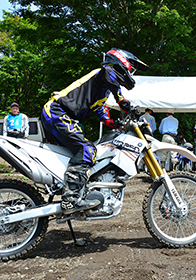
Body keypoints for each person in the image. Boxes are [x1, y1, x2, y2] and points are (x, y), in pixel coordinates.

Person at [41, 48, 149, 214]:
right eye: (131, 69)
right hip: (57, 113)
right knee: (87, 150)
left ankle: (69, 188)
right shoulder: (104, 72)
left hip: (59, 115)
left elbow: (100, 111)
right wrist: (125, 104)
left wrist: (114, 123)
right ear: (122, 62)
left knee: (79, 152)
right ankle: (70, 200)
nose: (131, 73)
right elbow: (111, 78)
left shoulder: (102, 89)